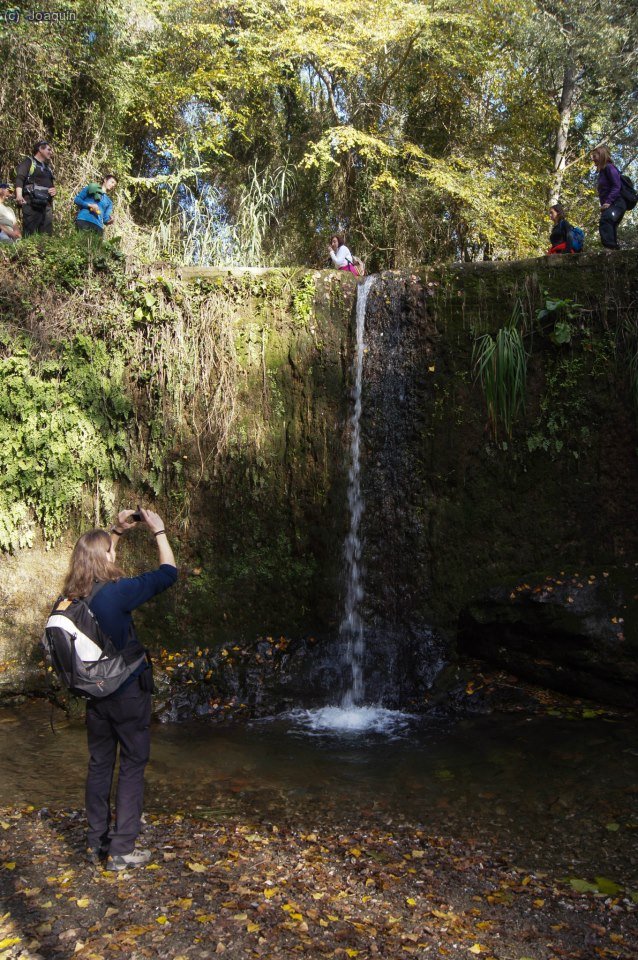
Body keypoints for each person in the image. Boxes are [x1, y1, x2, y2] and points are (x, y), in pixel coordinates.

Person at [59, 507, 177, 871]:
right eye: (110, 550)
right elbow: (168, 574)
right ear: (102, 558)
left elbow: (99, 555)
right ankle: (123, 850)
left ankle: (97, 843)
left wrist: (117, 531)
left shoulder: (69, 599)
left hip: (95, 697)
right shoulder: (118, 592)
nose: (115, 554)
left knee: (99, 765)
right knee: (131, 764)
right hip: (126, 692)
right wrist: (158, 532)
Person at [14, 141, 56, 236]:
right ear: (40, 149)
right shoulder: (28, 162)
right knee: (30, 234)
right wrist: (19, 196)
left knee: (47, 237)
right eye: (48, 149)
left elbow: (51, 185)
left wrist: (54, 190)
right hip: (31, 204)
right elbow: (20, 178)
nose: (51, 152)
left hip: (46, 206)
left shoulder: (48, 168)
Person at [591, 146, 626, 250]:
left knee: (606, 221)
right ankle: (614, 252)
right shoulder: (602, 171)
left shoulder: (609, 167)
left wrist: (608, 202)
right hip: (612, 204)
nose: (593, 158)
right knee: (611, 225)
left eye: (594, 155)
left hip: (617, 202)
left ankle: (610, 249)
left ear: (601, 155)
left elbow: (616, 185)